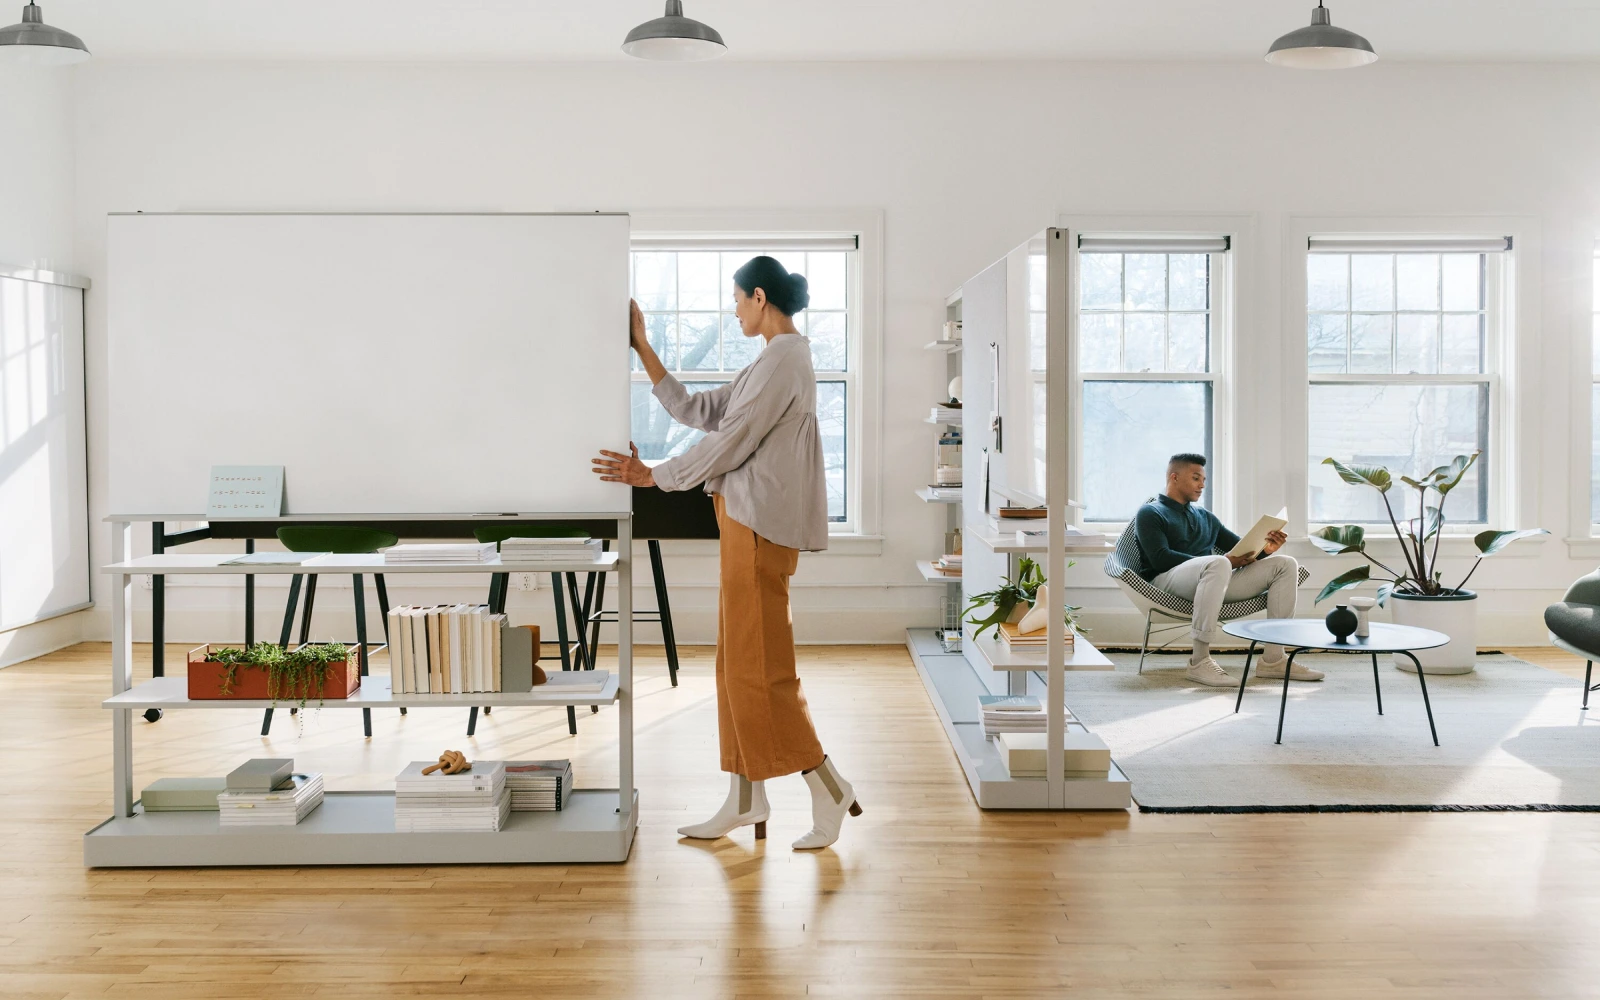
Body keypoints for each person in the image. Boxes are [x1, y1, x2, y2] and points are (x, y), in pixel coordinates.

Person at [591, 256, 862, 851]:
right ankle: (746, 797)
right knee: (735, 667)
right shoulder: (769, 362)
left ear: (760, 297)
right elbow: (697, 411)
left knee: (761, 671)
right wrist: (642, 346)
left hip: (759, 529)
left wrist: (654, 475)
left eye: (737, 300)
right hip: (745, 524)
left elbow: (731, 441)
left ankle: (829, 786)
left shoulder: (784, 361)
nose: (733, 310)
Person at [1133, 453, 1321, 687]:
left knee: (1285, 564)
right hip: (1166, 582)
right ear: (1174, 477)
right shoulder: (1151, 512)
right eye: (1195, 478)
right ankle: (1199, 661)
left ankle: (1274, 660)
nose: (1202, 484)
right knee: (1219, 562)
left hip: (1213, 580)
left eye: (1204, 479)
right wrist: (1224, 561)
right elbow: (1159, 559)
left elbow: (1239, 550)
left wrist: (1266, 549)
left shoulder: (1205, 517)